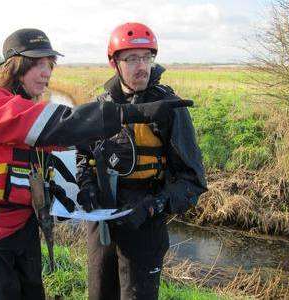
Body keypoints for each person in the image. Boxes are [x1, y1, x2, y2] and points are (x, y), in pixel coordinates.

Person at [0, 28, 192, 300]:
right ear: (15, 65)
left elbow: (71, 147)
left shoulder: (26, 109)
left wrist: (60, 196)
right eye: (38, 64)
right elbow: (63, 128)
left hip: (20, 228)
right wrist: (129, 113)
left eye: (50, 65)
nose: (47, 73)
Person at [76, 22, 207, 300]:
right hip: (103, 223)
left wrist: (154, 205)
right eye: (132, 58)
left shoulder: (169, 108)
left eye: (147, 57)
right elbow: (84, 156)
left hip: (145, 222)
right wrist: (86, 185)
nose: (142, 66)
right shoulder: (102, 106)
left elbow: (193, 180)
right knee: (99, 294)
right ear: (114, 63)